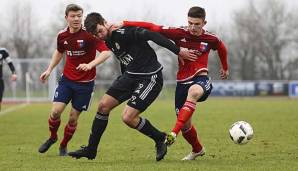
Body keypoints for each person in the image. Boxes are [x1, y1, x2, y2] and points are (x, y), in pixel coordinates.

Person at [68, 12, 196, 161]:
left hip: (150, 77)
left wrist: (178, 51)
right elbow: (124, 58)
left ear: (104, 22)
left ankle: (160, 138)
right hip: (130, 77)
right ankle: (91, 150)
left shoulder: (124, 32)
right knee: (103, 105)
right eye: (96, 35)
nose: (100, 36)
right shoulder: (109, 40)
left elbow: (151, 34)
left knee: (128, 117)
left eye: (100, 31)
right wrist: (123, 78)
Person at [123, 6, 229, 160]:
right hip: (182, 83)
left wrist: (225, 67)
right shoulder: (179, 33)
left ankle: (173, 133)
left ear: (204, 23)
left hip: (201, 79)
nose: (192, 27)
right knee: (186, 125)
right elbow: (154, 27)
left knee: (194, 93)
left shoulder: (211, 38)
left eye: (197, 24)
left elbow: (221, 47)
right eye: (190, 23)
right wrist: (125, 22)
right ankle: (197, 149)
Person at [38, 4, 112, 156]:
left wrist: (90, 65)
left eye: (79, 15)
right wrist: (49, 69)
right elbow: (59, 52)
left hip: (85, 85)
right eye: (73, 16)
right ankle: (53, 137)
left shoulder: (90, 35)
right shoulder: (62, 36)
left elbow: (106, 53)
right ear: (66, 18)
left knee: (72, 119)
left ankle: (63, 145)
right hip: (67, 81)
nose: (77, 19)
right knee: (55, 112)